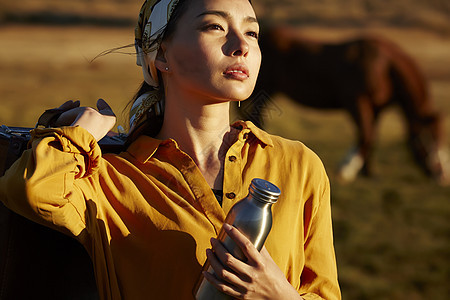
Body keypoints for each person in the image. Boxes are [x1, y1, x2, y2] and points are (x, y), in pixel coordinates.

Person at [0, 0, 341, 299]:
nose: (242, 46)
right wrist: (78, 133)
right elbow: (30, 189)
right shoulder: (109, 179)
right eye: (215, 26)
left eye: (252, 33)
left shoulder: (298, 164)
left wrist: (279, 296)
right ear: (160, 52)